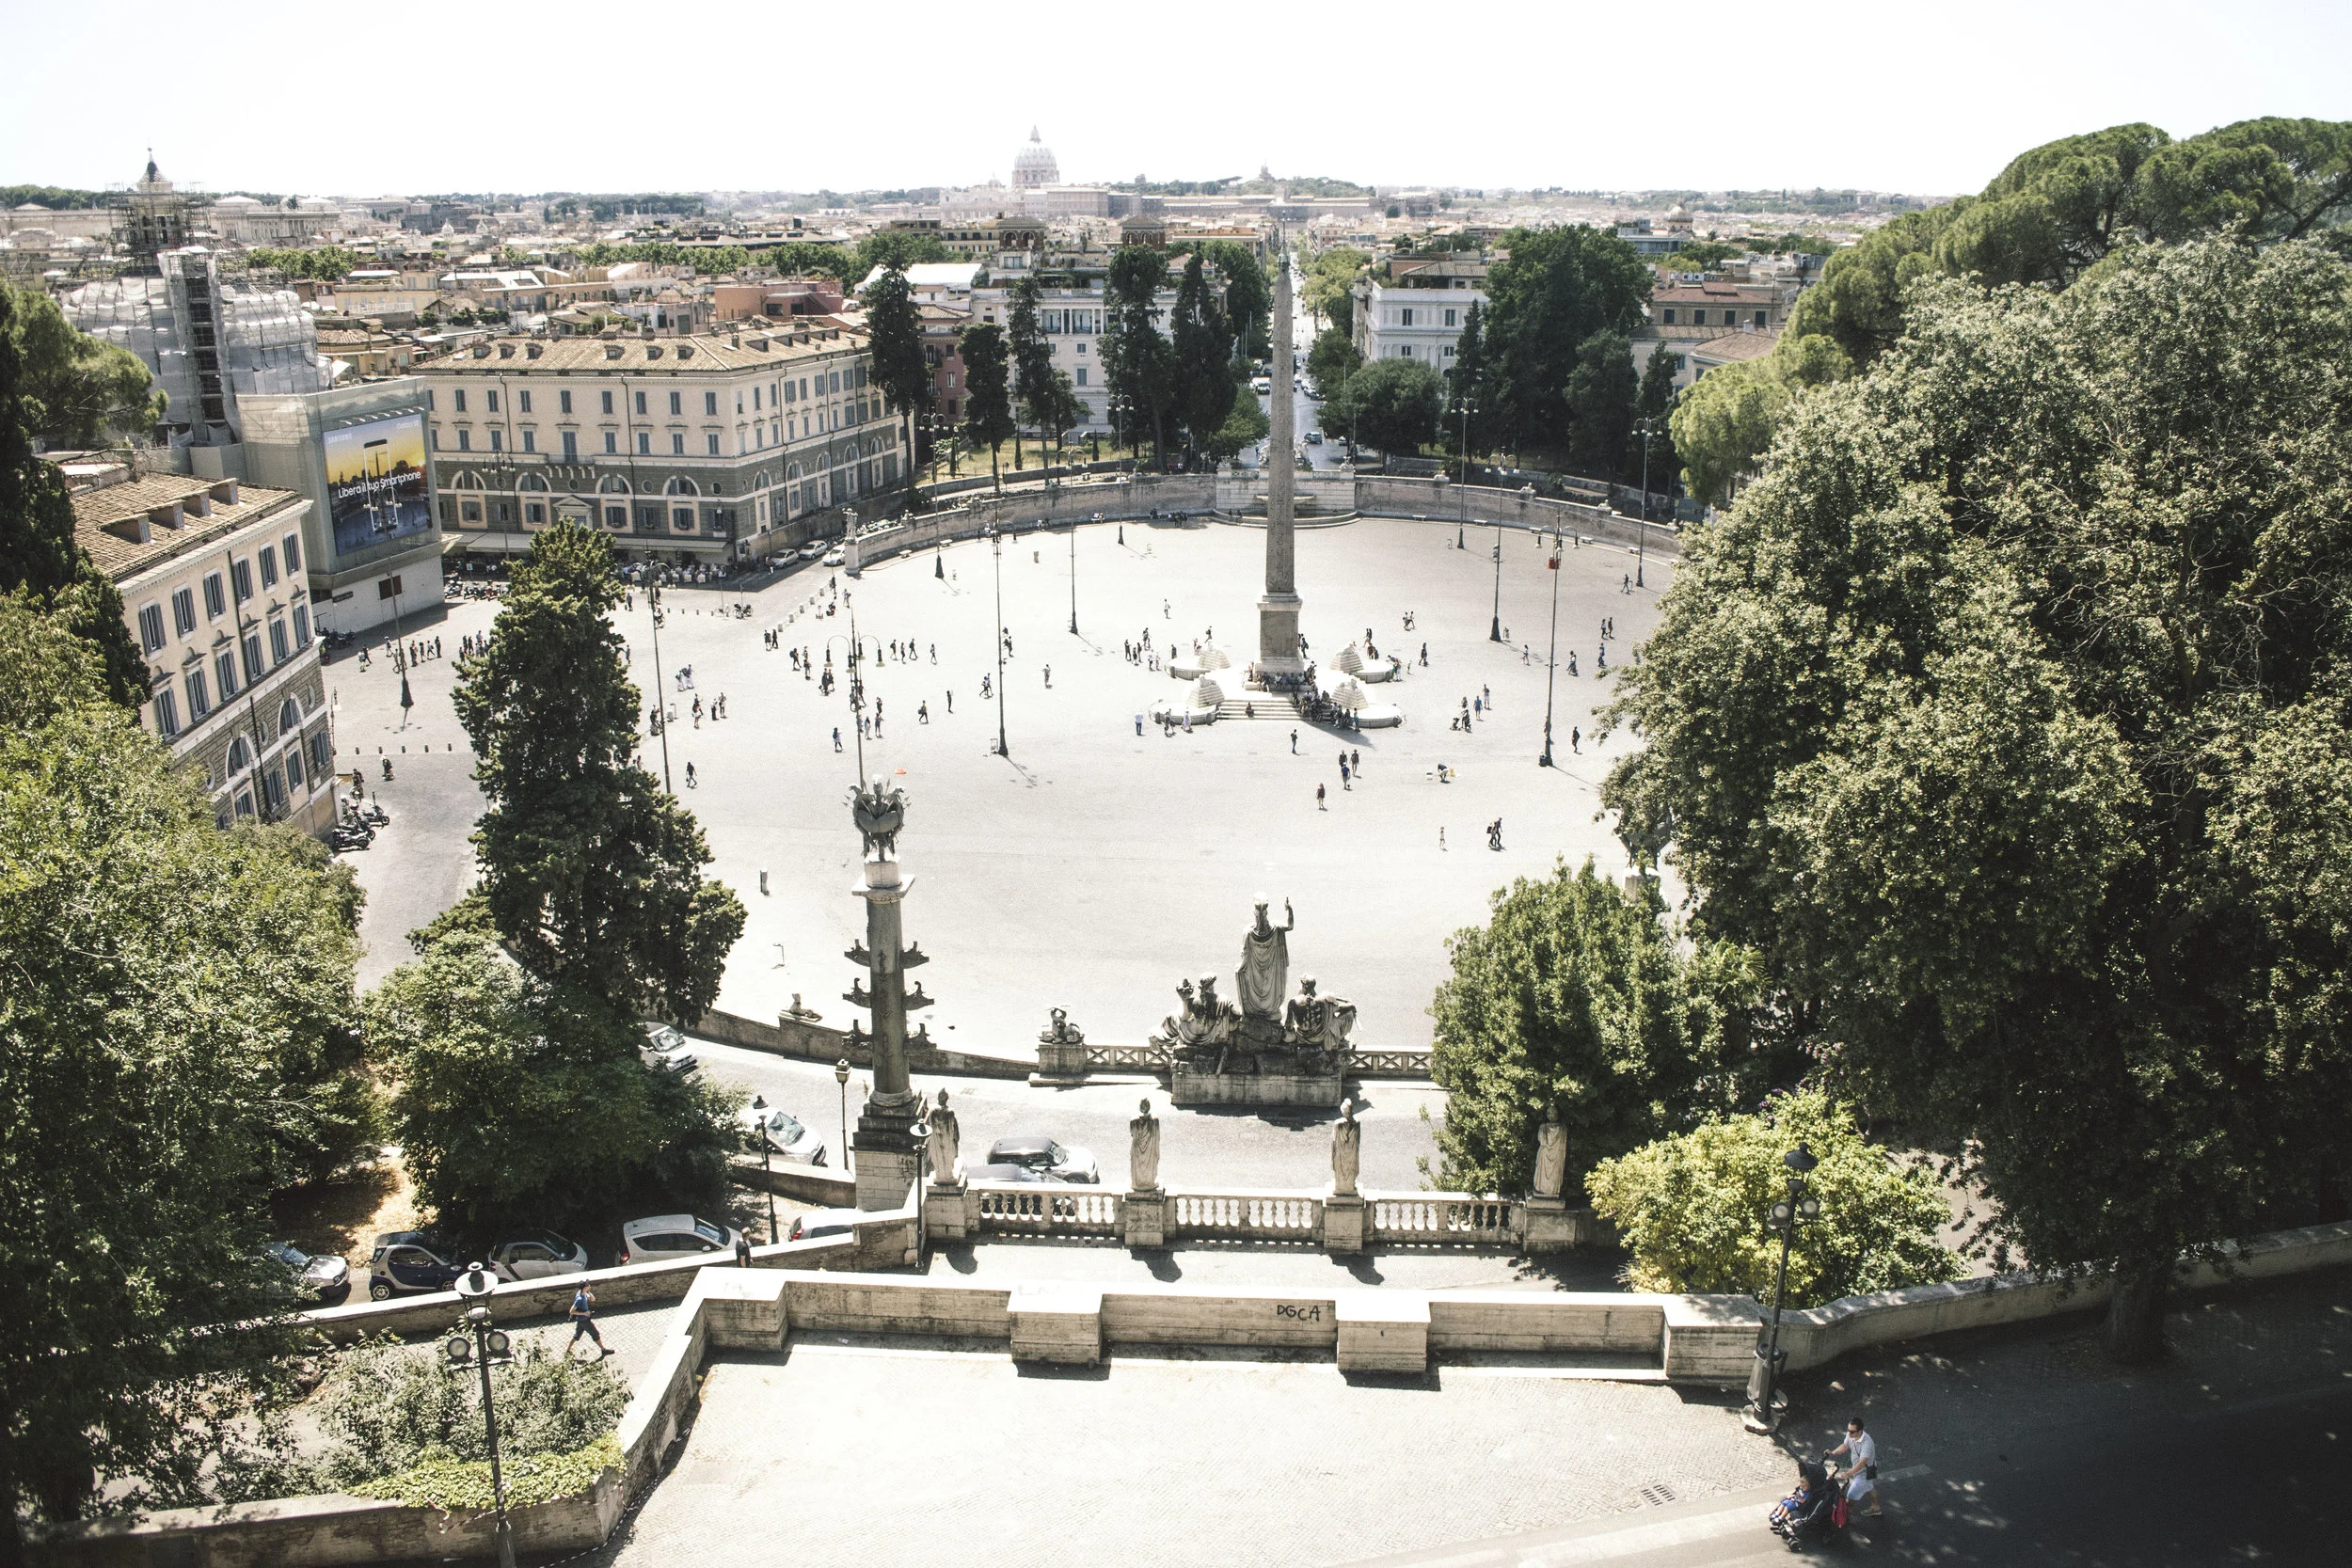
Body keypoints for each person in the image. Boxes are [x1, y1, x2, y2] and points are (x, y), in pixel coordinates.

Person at [1826, 1417, 1882, 1517]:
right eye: (1848, 1431)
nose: (1849, 1434)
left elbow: (1861, 1463)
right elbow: (1845, 1446)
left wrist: (1848, 1474)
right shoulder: (1851, 1435)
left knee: (1851, 1494)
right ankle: (1876, 1507)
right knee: (1869, 1487)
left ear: (1860, 1431)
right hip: (1860, 1469)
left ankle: (1845, 1512)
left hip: (1865, 1472)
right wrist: (1833, 1452)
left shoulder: (1867, 1443)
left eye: (1852, 1432)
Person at [567, 1284, 610, 1358]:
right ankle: (603, 1350)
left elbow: (593, 1299)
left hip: (580, 1321)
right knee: (595, 1334)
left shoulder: (583, 1293)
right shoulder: (579, 1299)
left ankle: (568, 1350)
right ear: (585, 1288)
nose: (590, 1286)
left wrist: (589, 1292)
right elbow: (571, 1311)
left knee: (577, 1336)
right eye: (588, 1285)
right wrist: (583, 1313)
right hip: (585, 1321)